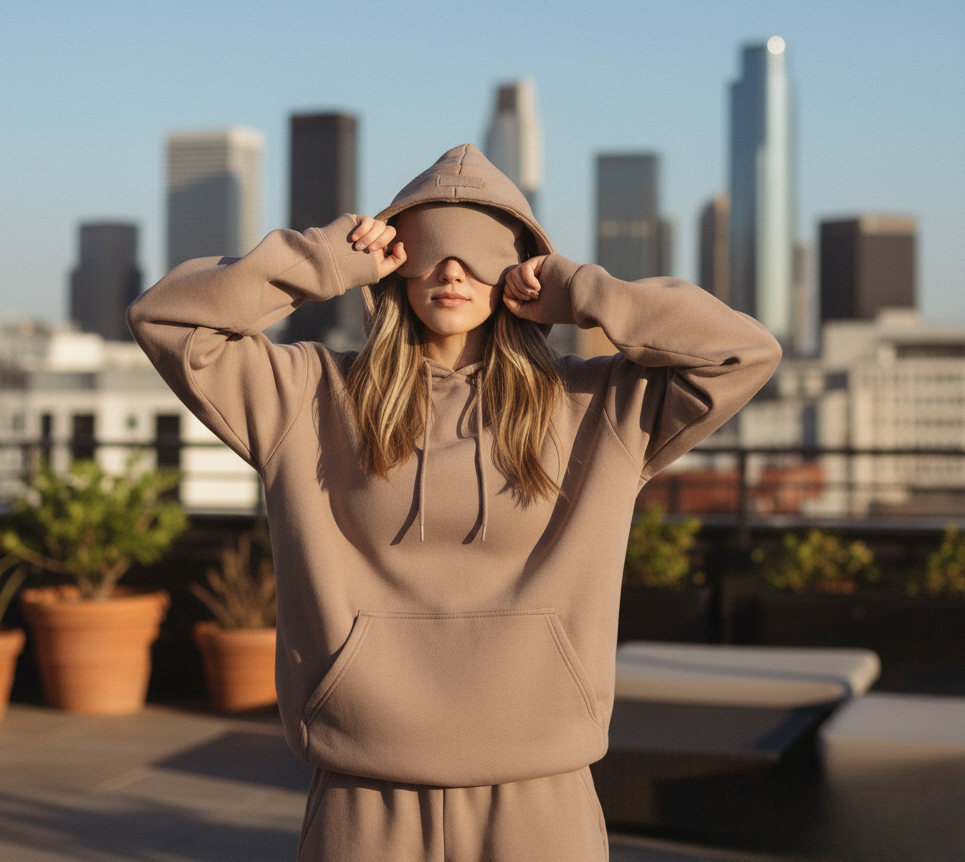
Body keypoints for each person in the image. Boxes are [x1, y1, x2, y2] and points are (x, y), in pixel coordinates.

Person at [128, 143, 781, 862]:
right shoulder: (308, 394)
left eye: (478, 256)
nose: (450, 272)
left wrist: (585, 294)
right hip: (364, 790)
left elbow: (741, 353)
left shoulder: (595, 404)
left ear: (520, 268)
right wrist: (326, 261)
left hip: (542, 790)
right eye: (432, 250)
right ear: (396, 264)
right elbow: (168, 319)